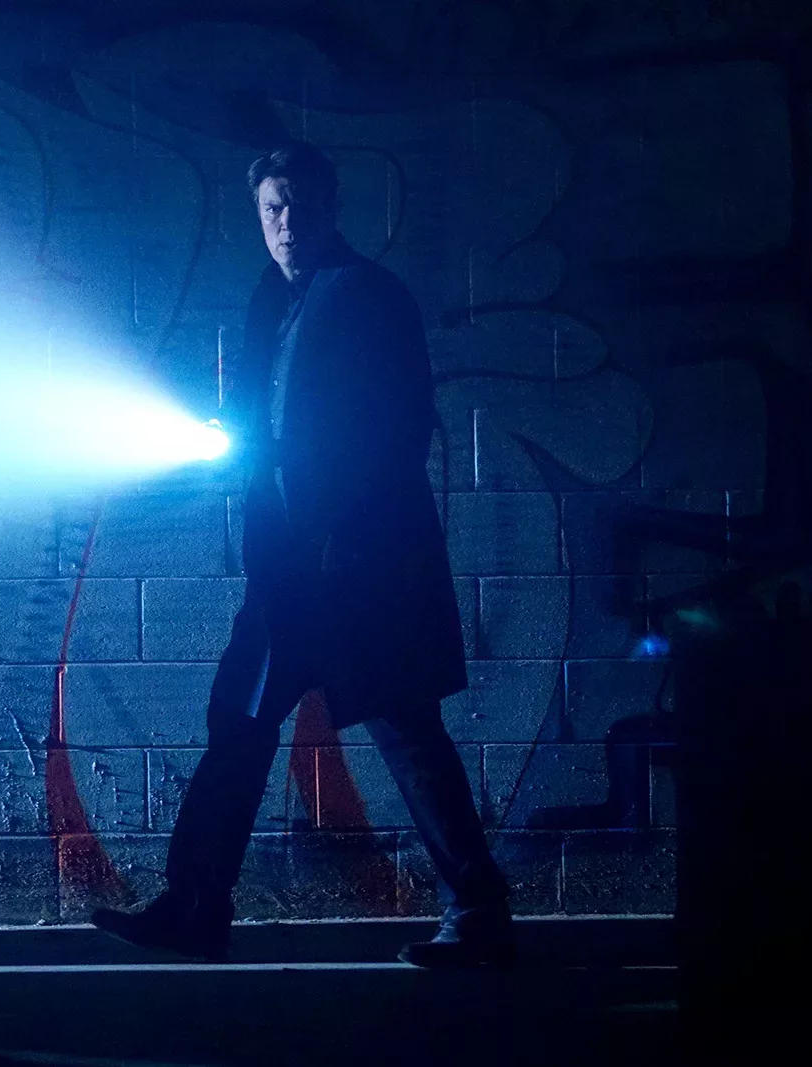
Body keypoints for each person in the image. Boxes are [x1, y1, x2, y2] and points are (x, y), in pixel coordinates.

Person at [93, 143, 513, 968]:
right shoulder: (272, 299)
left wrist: (341, 534)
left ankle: (479, 912)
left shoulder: (368, 295)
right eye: (272, 209)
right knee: (240, 723)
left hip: (360, 571)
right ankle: (195, 907)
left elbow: (400, 431)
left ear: (330, 209)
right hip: (290, 573)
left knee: (408, 734)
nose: (286, 222)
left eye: (299, 206)